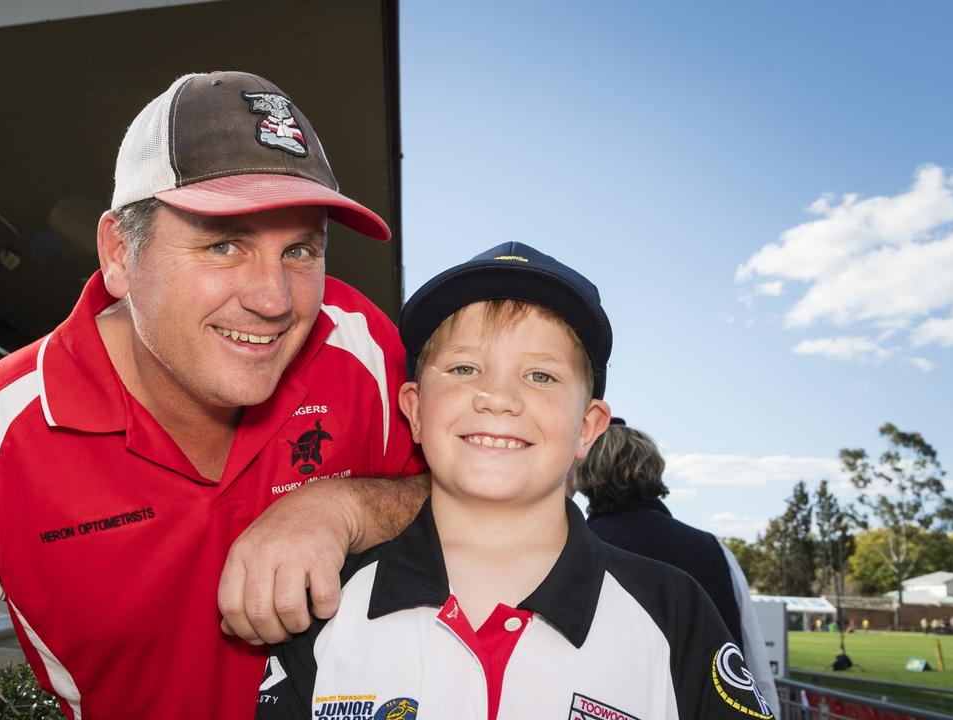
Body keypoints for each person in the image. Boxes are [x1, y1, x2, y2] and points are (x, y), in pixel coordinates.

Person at [0, 71, 428, 720]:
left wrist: (339, 506)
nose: (273, 299)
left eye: (300, 249)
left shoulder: (361, 347)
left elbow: (477, 504)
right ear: (119, 254)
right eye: (223, 244)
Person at [257, 242, 774, 719]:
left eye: (541, 375)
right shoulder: (328, 605)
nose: (498, 397)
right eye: (463, 369)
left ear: (588, 428)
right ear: (413, 409)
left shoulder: (672, 611)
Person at [576, 421, 780, 714]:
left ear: (586, 474)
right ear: (653, 468)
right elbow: (752, 657)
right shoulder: (714, 551)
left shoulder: (571, 551)